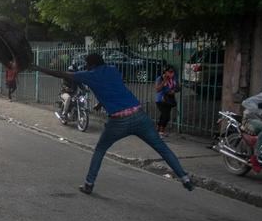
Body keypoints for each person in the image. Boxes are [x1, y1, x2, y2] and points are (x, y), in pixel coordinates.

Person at [32, 53, 194, 194]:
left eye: (88, 64)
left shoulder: (89, 75)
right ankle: (185, 178)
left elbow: (60, 73)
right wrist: (101, 103)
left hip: (119, 121)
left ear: (92, 64)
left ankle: (89, 184)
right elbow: (113, 87)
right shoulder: (113, 70)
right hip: (139, 116)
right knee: (162, 148)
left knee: (100, 150)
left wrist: (36, 67)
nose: (86, 66)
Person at [154, 65, 179, 137]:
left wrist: (174, 90)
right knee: (166, 116)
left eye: (173, 72)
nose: (172, 74)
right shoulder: (160, 78)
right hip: (161, 100)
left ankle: (158, 130)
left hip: (169, 100)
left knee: (163, 115)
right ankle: (161, 132)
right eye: (170, 72)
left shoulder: (173, 78)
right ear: (165, 72)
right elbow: (157, 89)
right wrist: (164, 81)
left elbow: (178, 87)